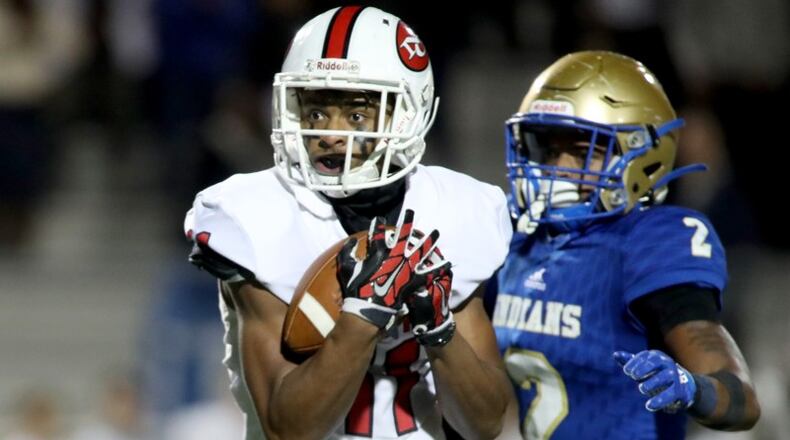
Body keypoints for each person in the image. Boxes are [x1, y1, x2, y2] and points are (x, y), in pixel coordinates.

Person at [183, 6, 514, 439]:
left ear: (407, 114)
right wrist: (363, 315)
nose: (331, 134)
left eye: (356, 115)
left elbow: (484, 424)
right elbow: (290, 428)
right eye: (316, 112)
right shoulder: (254, 215)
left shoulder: (458, 209)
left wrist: (439, 329)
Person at [489, 51, 761, 439]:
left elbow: (740, 401)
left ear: (642, 156)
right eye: (550, 149)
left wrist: (692, 388)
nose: (559, 166)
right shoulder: (516, 242)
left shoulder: (649, 241)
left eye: (584, 151)